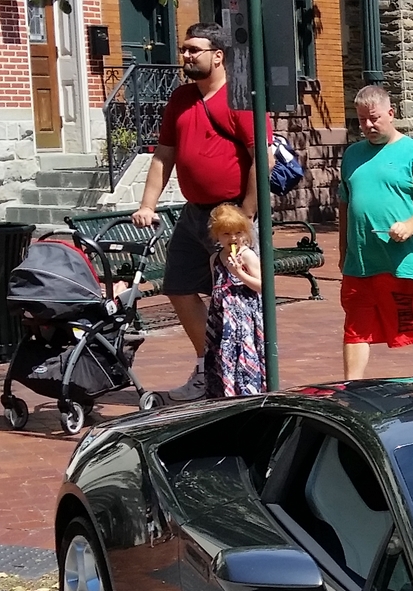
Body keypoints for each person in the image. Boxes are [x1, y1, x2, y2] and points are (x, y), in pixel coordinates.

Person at [130, 23, 259, 402]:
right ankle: (209, 366)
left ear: (218, 56)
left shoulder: (239, 98)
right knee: (179, 287)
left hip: (229, 215)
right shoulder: (181, 98)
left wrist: (245, 214)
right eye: (184, 49)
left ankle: (241, 374)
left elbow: (261, 159)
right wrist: (147, 205)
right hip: (193, 214)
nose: (185, 55)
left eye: (193, 50)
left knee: (235, 297)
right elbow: (163, 156)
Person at [338, 85, 413, 381]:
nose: (368, 125)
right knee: (355, 328)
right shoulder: (352, 155)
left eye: (374, 118)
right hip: (360, 263)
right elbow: (345, 205)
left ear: (391, 113)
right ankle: (350, 387)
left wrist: (411, 225)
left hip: (404, 263)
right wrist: (343, 251)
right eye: (362, 120)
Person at [202, 204, 265, 398]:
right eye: (226, 234)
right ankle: (224, 394)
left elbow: (262, 286)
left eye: (238, 233)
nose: (233, 238)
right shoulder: (215, 258)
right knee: (221, 356)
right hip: (222, 318)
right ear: (217, 235)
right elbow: (217, 285)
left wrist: (239, 273)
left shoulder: (246, 255)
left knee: (244, 357)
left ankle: (247, 392)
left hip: (244, 319)